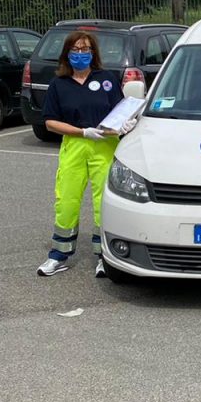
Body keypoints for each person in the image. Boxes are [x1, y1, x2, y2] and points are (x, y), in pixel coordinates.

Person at [37, 31, 123, 278]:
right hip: (75, 145)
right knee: (67, 200)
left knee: (102, 203)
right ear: (67, 54)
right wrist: (83, 132)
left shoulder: (106, 79)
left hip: (105, 145)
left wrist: (125, 123)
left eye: (85, 49)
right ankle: (59, 255)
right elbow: (50, 122)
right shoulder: (59, 84)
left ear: (93, 53)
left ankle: (104, 256)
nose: (81, 54)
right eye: (75, 50)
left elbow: (120, 110)